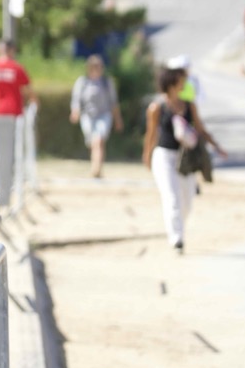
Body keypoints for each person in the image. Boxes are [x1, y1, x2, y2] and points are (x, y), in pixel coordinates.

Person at [142, 65, 227, 253]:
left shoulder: (189, 105)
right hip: (164, 156)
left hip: (186, 159)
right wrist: (147, 155)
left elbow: (201, 129)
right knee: (171, 197)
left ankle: (178, 229)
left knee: (187, 200)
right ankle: (177, 239)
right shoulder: (157, 107)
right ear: (172, 82)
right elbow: (151, 134)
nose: (185, 83)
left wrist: (216, 146)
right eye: (182, 80)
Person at [0, 38, 37, 204]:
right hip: (12, 115)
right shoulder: (17, 68)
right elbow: (29, 91)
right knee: (10, 156)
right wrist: (35, 104)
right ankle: (5, 193)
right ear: (12, 50)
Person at [70, 55, 123, 178]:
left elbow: (113, 102)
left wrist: (118, 119)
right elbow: (76, 99)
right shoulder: (82, 82)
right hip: (87, 116)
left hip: (103, 115)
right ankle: (96, 165)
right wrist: (75, 111)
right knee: (93, 143)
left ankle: (96, 169)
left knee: (98, 140)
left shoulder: (106, 83)